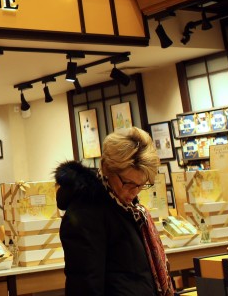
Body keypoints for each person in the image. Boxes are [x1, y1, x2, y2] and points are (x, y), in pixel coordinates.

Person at [53, 127, 173, 296]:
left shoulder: (130, 210)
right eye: (128, 183)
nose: (134, 191)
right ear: (107, 168)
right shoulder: (86, 214)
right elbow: (85, 285)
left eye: (141, 185)